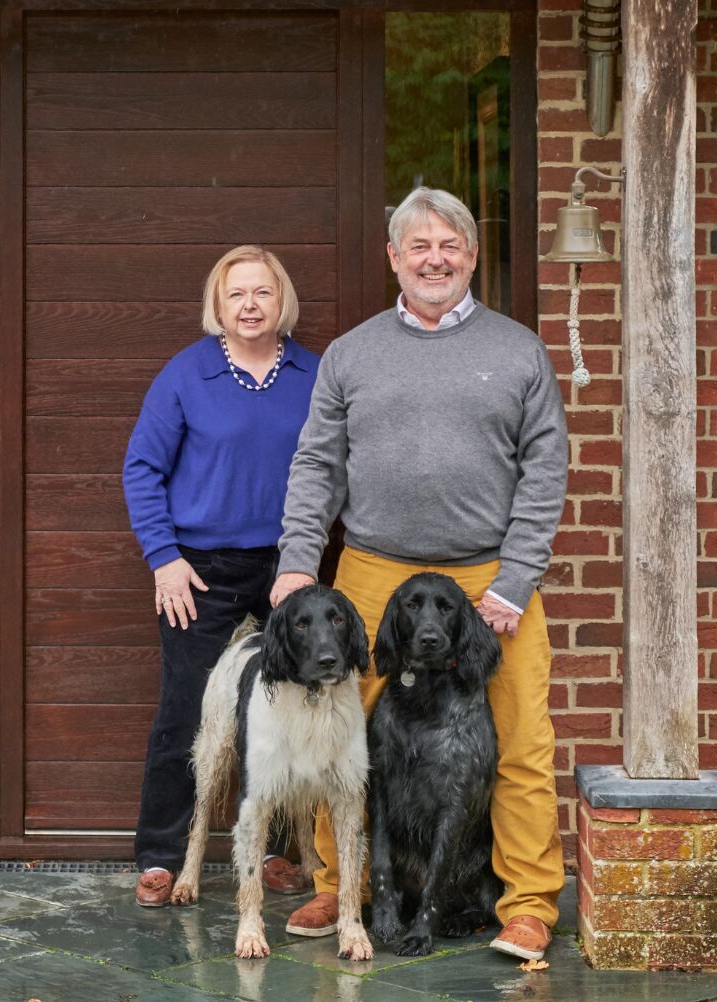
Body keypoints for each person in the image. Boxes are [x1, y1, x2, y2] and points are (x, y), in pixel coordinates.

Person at [270, 187, 568, 961]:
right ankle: (343, 885)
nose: (435, 259)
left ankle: (529, 904)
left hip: (490, 579)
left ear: (470, 255)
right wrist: (300, 563)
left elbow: (545, 470)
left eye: (450, 246)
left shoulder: (517, 350)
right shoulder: (352, 354)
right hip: (373, 569)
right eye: (419, 247)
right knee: (344, 740)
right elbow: (317, 464)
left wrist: (518, 578)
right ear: (394, 258)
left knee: (523, 738)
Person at [122, 245, 320, 908]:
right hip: (198, 571)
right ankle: (160, 853)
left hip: (286, 567)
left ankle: (277, 850)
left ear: (281, 300)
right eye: (236, 294)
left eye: (262, 292)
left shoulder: (312, 375)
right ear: (217, 304)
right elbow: (142, 470)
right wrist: (164, 558)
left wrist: (303, 562)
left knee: (285, 714)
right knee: (185, 710)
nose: (250, 305)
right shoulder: (186, 374)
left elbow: (333, 470)